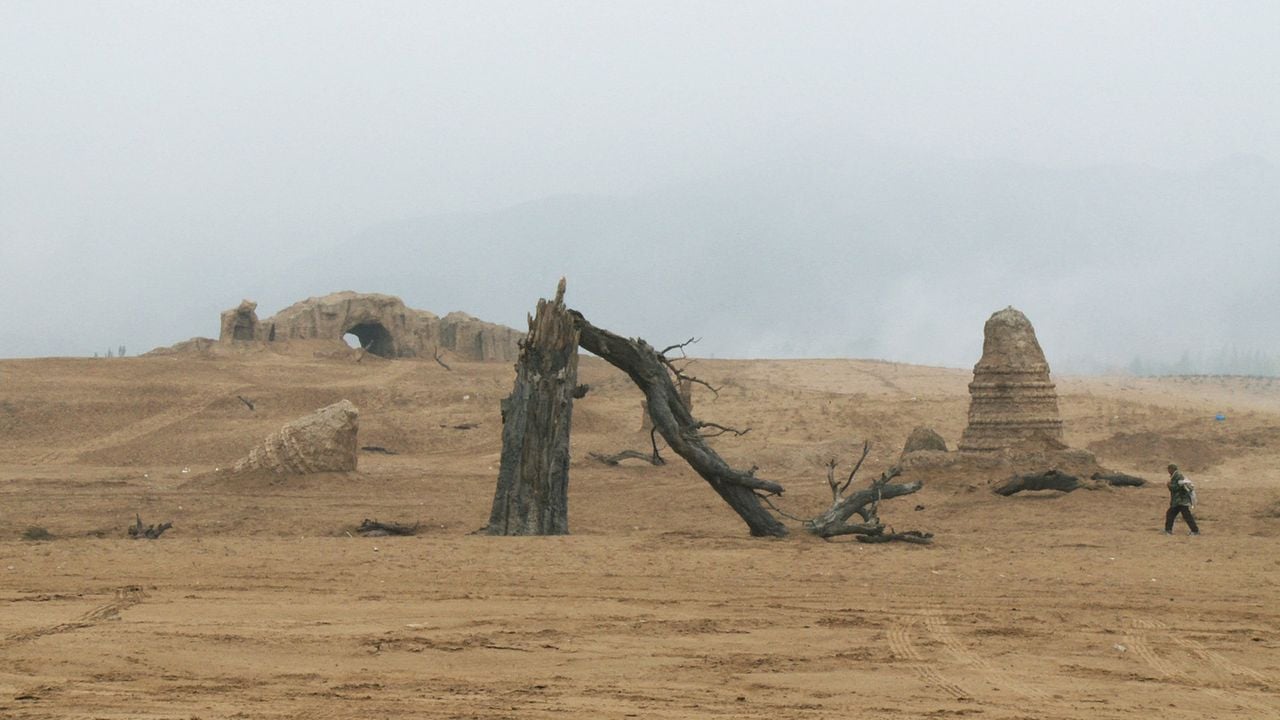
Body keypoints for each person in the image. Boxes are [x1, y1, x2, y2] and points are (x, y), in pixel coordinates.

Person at [1164, 463, 1200, 536]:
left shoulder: (1178, 476)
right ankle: (1168, 530)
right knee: (1171, 514)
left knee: (1184, 515)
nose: (1168, 471)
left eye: (1169, 469)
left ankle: (1195, 531)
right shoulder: (1176, 476)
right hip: (1179, 501)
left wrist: (1169, 485)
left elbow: (1178, 487)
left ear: (1171, 469)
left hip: (1181, 501)